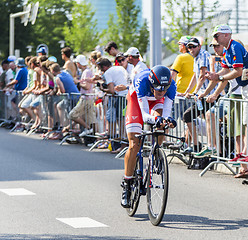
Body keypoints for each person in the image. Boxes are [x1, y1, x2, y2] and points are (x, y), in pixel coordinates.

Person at [121, 65, 177, 208]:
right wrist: (156, 119)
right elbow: (145, 115)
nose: (162, 92)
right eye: (159, 88)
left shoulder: (171, 86)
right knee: (134, 144)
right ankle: (127, 185)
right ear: (152, 84)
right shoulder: (142, 81)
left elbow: (166, 111)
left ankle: (156, 153)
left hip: (154, 103)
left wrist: (166, 120)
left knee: (162, 122)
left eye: (165, 89)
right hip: (137, 102)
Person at [205, 24, 248, 177]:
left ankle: (244, 154)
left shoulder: (235, 47)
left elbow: (237, 71)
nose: (215, 39)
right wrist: (215, 75)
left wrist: (219, 77)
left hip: (245, 88)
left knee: (245, 124)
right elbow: (225, 70)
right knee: (242, 124)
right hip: (243, 90)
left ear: (226, 35)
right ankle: (243, 156)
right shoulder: (228, 50)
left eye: (216, 36)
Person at [182, 37, 217, 153]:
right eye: (189, 47)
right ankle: (197, 145)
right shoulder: (196, 57)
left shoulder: (202, 55)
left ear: (199, 46)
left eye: (193, 46)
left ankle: (202, 146)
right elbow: (195, 76)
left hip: (208, 95)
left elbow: (202, 76)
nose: (191, 49)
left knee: (188, 116)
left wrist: (195, 92)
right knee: (193, 118)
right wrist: (188, 91)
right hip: (203, 95)